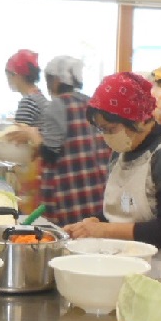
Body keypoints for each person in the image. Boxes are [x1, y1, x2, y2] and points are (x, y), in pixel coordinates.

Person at [64, 72, 161, 295]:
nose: (106, 136)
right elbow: (125, 212)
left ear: (138, 119)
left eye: (111, 129)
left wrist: (103, 229)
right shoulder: (121, 153)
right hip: (132, 270)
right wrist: (92, 224)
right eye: (101, 129)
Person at [35, 55, 107, 226]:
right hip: (96, 190)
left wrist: (33, 138)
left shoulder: (57, 105)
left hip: (69, 191)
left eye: (49, 80)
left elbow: (51, 153)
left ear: (56, 80)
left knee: (67, 241)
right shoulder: (91, 102)